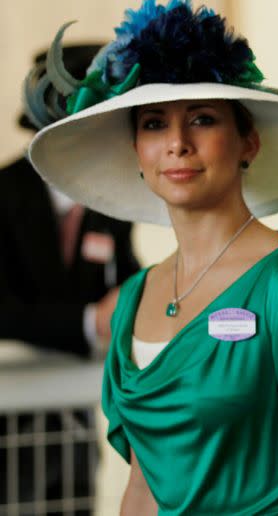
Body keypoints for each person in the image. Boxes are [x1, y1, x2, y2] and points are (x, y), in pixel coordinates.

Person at [27, 0, 278, 515]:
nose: (177, 142)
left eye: (202, 118)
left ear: (248, 141)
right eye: (154, 123)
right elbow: (142, 488)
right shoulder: (133, 297)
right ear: (136, 150)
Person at [0, 45, 140, 514]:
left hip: (74, 424)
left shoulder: (111, 202)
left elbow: (125, 273)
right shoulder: (4, 194)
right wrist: (90, 320)